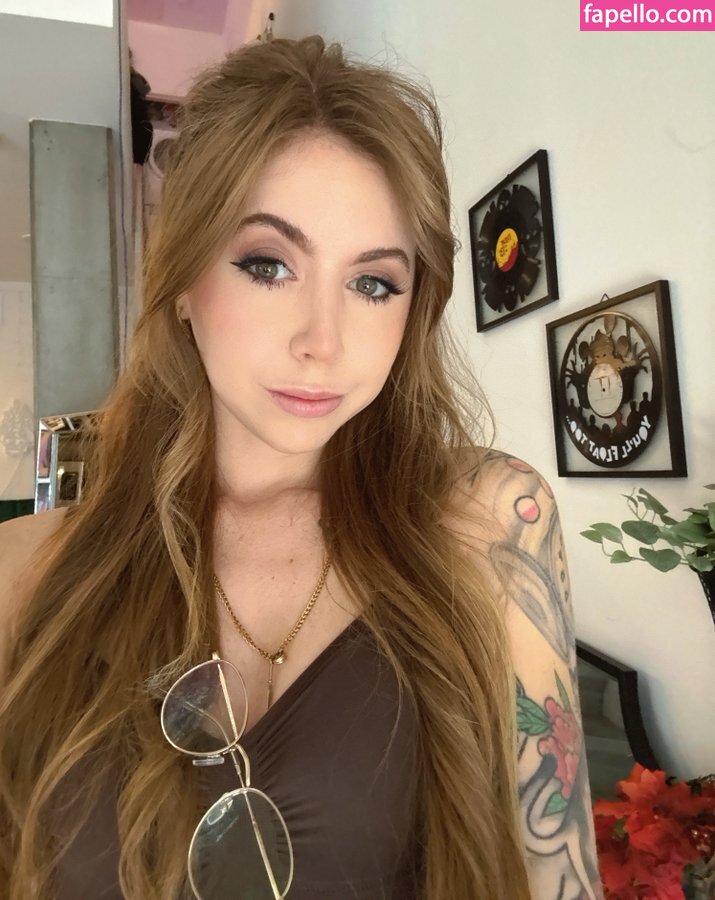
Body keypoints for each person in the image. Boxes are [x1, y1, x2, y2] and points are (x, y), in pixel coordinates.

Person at [0, 36, 602, 900]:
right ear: (182, 278)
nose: (323, 341)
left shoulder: (488, 519)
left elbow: (555, 878)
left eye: (373, 284)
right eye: (267, 265)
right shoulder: (23, 574)